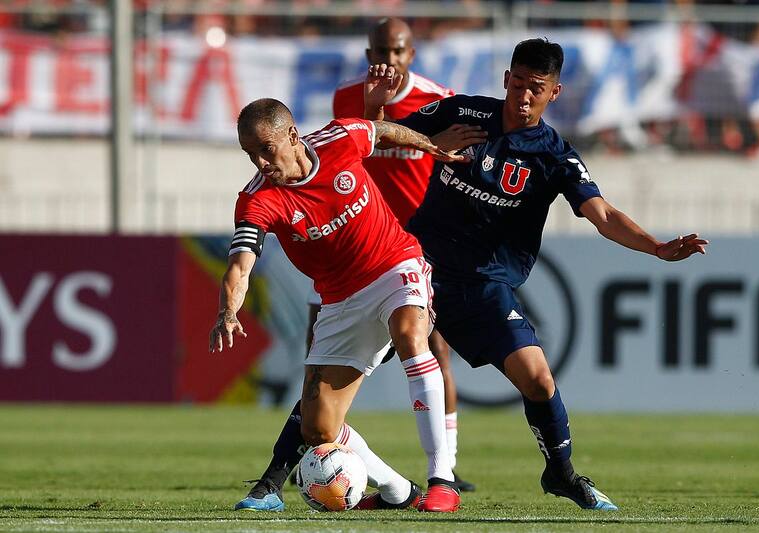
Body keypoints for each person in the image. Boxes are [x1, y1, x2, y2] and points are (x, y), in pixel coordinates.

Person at [363, 39, 709, 511]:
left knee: (539, 380)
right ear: (506, 79)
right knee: (343, 364)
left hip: (484, 286)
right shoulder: (462, 112)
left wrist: (655, 247)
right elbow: (377, 137)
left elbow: (602, 214)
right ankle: (274, 476)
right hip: (417, 268)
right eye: (519, 84)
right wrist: (387, 114)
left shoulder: (553, 155)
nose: (524, 96)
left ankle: (561, 475)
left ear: (555, 93)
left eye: (537, 89)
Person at [210, 98, 464, 512]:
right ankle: (400, 491)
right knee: (318, 428)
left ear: (293, 137)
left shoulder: (339, 139)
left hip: (395, 263)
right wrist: (228, 310)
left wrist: (428, 144)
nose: (259, 162)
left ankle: (443, 479)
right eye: (250, 154)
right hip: (341, 300)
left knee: (410, 333)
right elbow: (240, 265)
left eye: (265, 150)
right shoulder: (258, 200)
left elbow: (382, 131)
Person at [327, 17, 482, 492]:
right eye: (379, 52)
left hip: (420, 242)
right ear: (368, 52)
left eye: (396, 52)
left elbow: (458, 163)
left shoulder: (439, 99)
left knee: (435, 347)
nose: (387, 61)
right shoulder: (346, 99)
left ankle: (446, 466)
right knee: (327, 350)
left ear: (410, 54)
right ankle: (318, 442)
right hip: (361, 239)